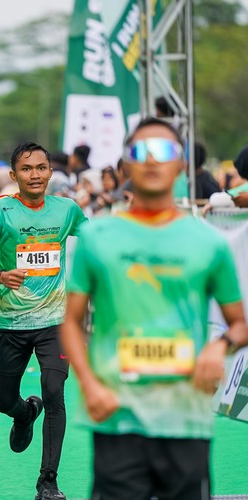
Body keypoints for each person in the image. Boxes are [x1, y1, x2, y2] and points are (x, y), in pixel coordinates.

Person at [60, 117, 248, 500]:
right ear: (125, 166)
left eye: (163, 151)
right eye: (139, 151)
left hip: (186, 417)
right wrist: (89, 385)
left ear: (181, 165)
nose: (151, 160)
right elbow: (71, 322)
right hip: (117, 415)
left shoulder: (209, 242)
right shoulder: (97, 236)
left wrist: (219, 347)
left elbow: (240, 325)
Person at [0, 142, 88, 500]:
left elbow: (95, 240)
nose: (35, 175)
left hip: (55, 321)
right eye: (27, 168)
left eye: (41, 168)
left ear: (51, 172)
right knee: (5, 401)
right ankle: (25, 412)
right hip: (12, 322)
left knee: (55, 392)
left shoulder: (67, 209)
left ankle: (48, 481)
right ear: (13, 175)